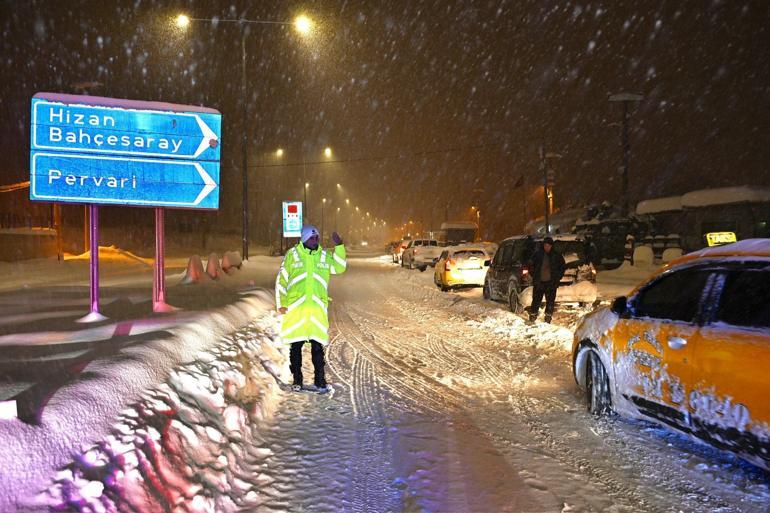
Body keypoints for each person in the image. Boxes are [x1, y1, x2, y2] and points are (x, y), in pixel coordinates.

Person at [275, 225, 347, 392]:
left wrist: (340, 246)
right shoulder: (292, 255)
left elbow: (339, 267)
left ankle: (320, 380)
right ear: (303, 239)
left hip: (316, 310)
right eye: (311, 238)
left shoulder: (323, 256)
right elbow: (282, 280)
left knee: (317, 347)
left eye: (317, 238)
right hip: (296, 309)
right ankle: (297, 380)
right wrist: (281, 303)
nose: (315, 241)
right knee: (296, 346)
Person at [528, 236, 566, 323]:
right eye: (545, 245)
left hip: (551, 283)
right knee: (536, 300)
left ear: (552, 246)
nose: (547, 247)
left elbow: (562, 266)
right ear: (543, 245)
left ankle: (548, 316)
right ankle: (533, 315)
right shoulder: (538, 255)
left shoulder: (556, 255)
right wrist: (534, 275)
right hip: (539, 282)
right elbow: (531, 265)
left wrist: (558, 277)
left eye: (548, 245)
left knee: (550, 301)